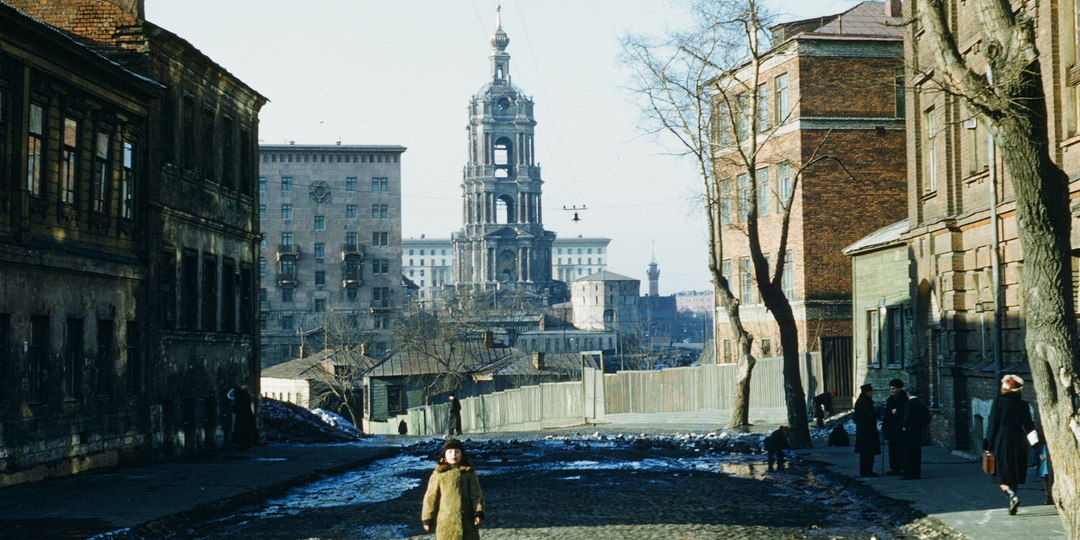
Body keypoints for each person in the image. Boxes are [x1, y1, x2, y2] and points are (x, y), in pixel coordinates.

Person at [984, 374, 1035, 515]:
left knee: (1000, 473)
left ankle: (1011, 494)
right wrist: (1033, 443)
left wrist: (987, 445)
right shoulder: (1023, 405)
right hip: (1019, 438)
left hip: (1002, 439)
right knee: (1015, 471)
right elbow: (1029, 425)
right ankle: (1012, 502)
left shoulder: (998, 402)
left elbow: (993, 424)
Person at [422, 439, 485, 539]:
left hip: (468, 522)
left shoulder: (468, 473)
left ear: (462, 454)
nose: (453, 455)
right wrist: (427, 519)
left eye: (457, 452)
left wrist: (478, 513)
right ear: (444, 456)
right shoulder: (439, 474)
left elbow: (476, 494)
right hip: (446, 522)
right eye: (450, 452)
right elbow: (430, 497)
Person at [881, 378, 908, 475]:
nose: (892, 390)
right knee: (892, 449)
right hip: (892, 428)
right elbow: (887, 414)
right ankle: (894, 467)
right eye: (891, 388)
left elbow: (907, 412)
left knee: (901, 448)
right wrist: (884, 426)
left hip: (900, 428)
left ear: (899, 388)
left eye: (894, 388)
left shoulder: (904, 399)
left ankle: (902, 466)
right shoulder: (891, 399)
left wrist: (898, 411)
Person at [901, 389, 930, 479]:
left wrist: (904, 425)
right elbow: (927, 417)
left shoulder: (908, 403)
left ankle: (908, 473)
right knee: (916, 452)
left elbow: (907, 415)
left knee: (908, 452)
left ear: (908, 394)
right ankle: (916, 473)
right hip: (917, 430)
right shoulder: (920, 403)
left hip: (909, 431)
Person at [853, 383, 881, 477]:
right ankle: (867, 471)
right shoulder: (865, 402)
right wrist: (877, 413)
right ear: (868, 392)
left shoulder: (860, 401)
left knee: (864, 453)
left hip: (863, 430)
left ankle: (865, 470)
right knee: (868, 452)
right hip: (867, 431)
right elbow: (870, 415)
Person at [1029, 431, 1053, 506]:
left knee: (1047, 478)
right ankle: (1049, 496)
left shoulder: (1038, 435)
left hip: (1043, 456)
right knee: (1048, 478)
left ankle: (1049, 496)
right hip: (1044, 455)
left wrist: (1034, 462)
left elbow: (1035, 448)